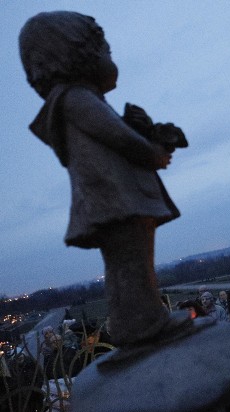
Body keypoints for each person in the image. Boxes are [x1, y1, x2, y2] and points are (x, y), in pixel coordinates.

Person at [19, 11, 189, 349]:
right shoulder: (75, 99)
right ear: (76, 55)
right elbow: (118, 137)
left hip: (118, 200)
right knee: (129, 262)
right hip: (115, 200)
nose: (111, 58)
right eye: (105, 50)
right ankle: (139, 325)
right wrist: (151, 153)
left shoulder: (81, 99)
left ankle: (145, 319)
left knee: (135, 260)